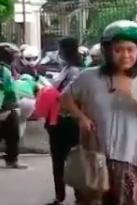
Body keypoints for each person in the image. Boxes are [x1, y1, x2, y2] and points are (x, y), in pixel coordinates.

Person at [60, 20, 137, 205]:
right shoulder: (89, 77)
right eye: (118, 50)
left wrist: (130, 93)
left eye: (130, 50)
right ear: (106, 50)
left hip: (129, 161)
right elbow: (65, 98)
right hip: (93, 158)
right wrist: (80, 117)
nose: (125, 55)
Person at [43, 37, 86, 205]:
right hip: (61, 120)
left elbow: (67, 96)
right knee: (65, 159)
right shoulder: (68, 68)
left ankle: (73, 195)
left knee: (68, 159)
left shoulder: (75, 71)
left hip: (68, 121)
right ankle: (65, 195)